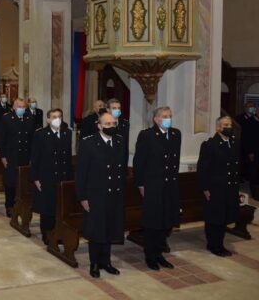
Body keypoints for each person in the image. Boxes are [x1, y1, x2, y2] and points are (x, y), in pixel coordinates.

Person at [75, 112, 127, 278]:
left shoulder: (120, 141)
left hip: (114, 193)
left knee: (110, 229)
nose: (111, 127)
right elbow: (81, 173)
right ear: (99, 126)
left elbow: (122, 168)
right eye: (107, 124)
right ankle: (95, 264)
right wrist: (82, 197)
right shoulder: (88, 143)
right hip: (96, 194)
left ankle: (107, 262)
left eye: (113, 124)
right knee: (96, 231)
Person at [133, 106, 181, 270]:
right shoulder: (146, 135)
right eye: (164, 116)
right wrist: (140, 184)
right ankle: (150, 256)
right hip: (153, 185)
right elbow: (139, 162)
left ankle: (159, 253)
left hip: (170, 185)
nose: (168, 118)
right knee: (153, 222)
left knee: (166, 221)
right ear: (156, 119)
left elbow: (174, 161)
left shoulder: (176, 134)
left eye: (170, 115)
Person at [197, 116, 240, 257]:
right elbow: (202, 169)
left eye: (230, 124)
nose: (228, 127)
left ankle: (220, 244)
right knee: (214, 218)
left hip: (229, 187)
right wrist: (205, 188)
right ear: (218, 128)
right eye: (225, 125)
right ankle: (213, 245)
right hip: (215, 188)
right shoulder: (210, 145)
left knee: (223, 218)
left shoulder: (233, 142)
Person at [31, 109, 72, 244]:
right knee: (47, 207)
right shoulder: (41, 134)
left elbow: (67, 156)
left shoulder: (67, 133)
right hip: (46, 175)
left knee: (60, 207)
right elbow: (35, 158)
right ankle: (47, 233)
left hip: (62, 175)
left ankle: (58, 232)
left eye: (59, 116)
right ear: (48, 120)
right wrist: (35, 178)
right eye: (54, 117)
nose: (57, 119)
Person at [0, 98, 35, 217]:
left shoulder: (29, 118)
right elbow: (1, 139)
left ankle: (23, 203)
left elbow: (32, 139)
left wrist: (32, 156)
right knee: (10, 182)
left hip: (25, 155)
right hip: (11, 155)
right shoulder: (7, 118)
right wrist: (3, 156)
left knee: (24, 181)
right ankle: (9, 205)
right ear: (14, 107)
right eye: (19, 106)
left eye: (23, 107)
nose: (21, 109)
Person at [235, 102, 259, 184]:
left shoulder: (255, 118)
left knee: (252, 165)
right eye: (249, 106)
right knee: (242, 162)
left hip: (254, 145)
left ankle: (249, 178)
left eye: (253, 106)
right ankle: (241, 177)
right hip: (243, 144)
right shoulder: (239, 118)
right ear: (245, 108)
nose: (251, 108)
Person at [106, 98, 130, 164]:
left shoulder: (125, 124)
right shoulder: (102, 124)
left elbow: (125, 145)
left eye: (118, 108)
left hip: (121, 161)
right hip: (106, 161)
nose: (117, 110)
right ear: (108, 110)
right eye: (114, 108)